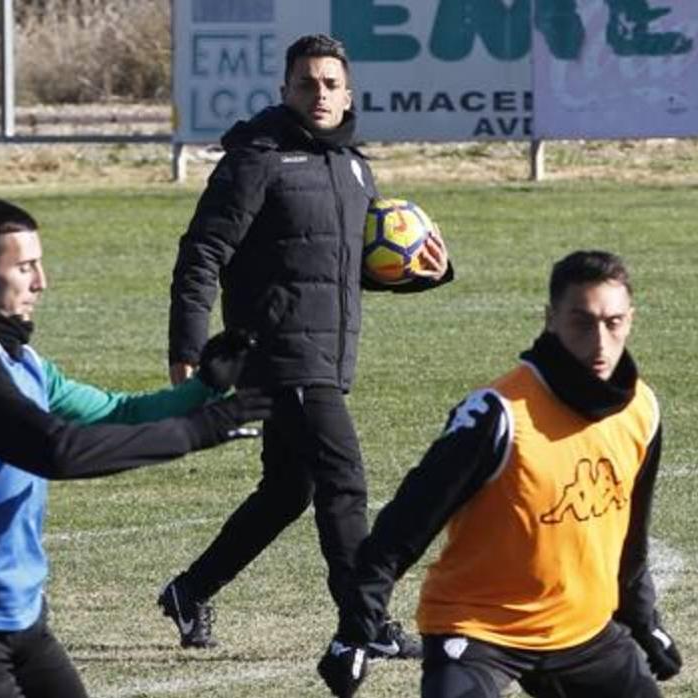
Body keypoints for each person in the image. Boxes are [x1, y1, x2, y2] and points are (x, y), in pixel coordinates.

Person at [0, 196, 270, 698]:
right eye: (24, 267)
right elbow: (56, 451)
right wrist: (198, 429)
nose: (41, 282)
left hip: (19, 619)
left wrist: (203, 390)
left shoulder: (23, 361)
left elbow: (118, 412)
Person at [159, 33, 453, 657]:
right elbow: (204, 250)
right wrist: (187, 341)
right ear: (284, 91)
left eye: (329, 83)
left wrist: (427, 269)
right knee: (343, 476)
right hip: (277, 351)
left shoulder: (353, 165)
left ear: (347, 93)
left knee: (288, 491)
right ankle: (364, 623)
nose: (318, 93)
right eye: (305, 83)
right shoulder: (257, 157)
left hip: (327, 353)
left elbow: (343, 267)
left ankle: (190, 590)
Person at [318, 250, 683, 697]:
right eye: (581, 322)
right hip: (478, 629)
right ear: (550, 319)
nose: (600, 342)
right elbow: (402, 528)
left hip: (581, 633)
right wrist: (355, 631)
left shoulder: (641, 410)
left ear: (631, 319)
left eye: (613, 322)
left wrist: (643, 621)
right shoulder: (499, 415)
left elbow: (631, 537)